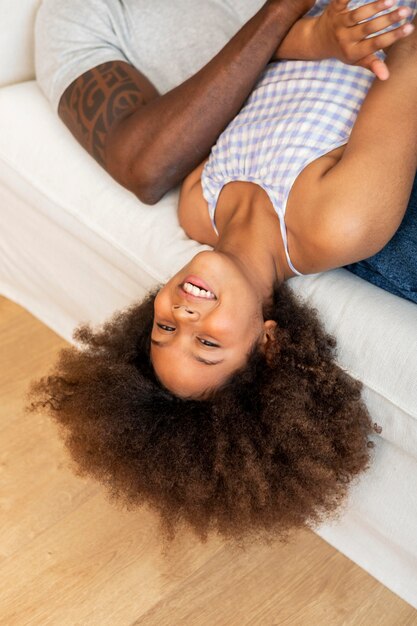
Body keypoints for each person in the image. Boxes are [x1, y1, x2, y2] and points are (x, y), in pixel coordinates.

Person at [30, 0, 415, 548]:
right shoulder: (337, 224)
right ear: (269, 344)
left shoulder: (196, 205)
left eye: (166, 329)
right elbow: (408, 54)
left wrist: (318, 38)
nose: (184, 315)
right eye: (206, 342)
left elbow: (259, 66)